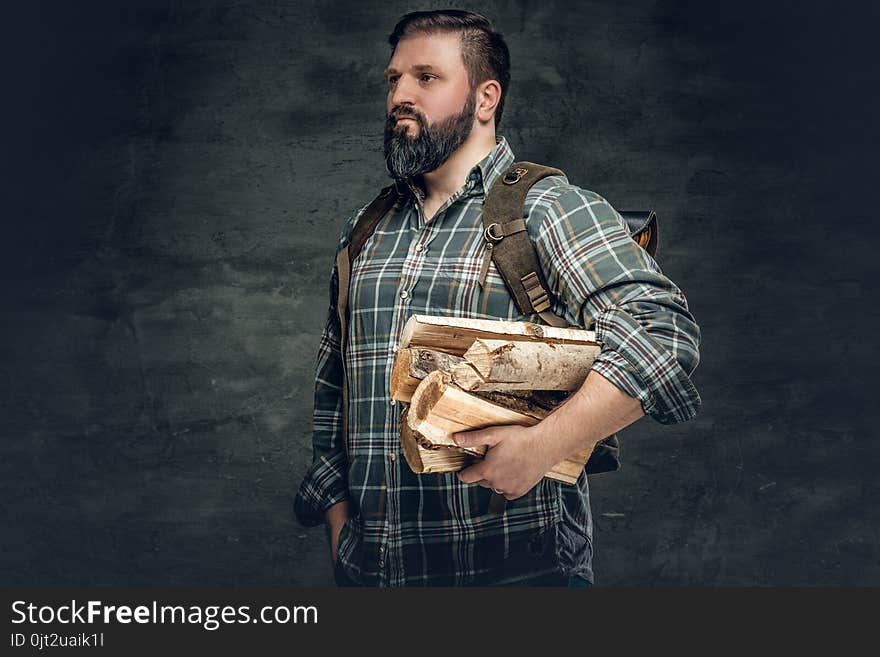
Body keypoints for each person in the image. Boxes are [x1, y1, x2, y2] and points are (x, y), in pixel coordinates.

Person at [294, 9, 701, 587]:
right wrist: (341, 534)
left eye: (426, 78)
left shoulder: (548, 209)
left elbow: (664, 339)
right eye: (394, 80)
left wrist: (543, 447)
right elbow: (334, 390)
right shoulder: (366, 228)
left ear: (486, 99)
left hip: (519, 578)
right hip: (375, 580)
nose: (400, 96)